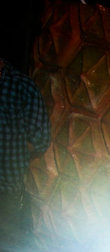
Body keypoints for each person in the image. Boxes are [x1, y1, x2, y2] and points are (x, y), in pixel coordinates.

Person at [0, 57, 50, 242]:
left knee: (6, 244)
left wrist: (17, 155)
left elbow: (40, 140)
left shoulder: (22, 86)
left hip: (6, 191)